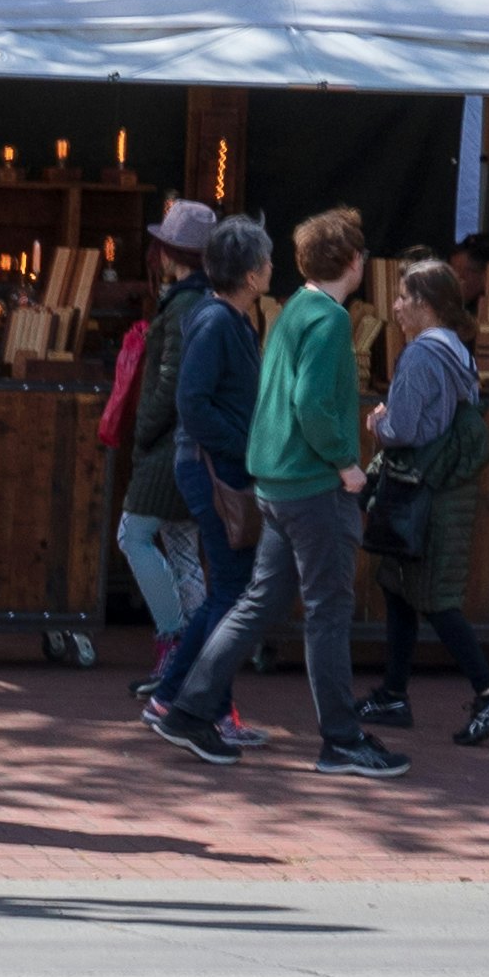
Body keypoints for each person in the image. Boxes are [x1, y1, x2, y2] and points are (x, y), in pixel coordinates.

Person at [156, 206, 405, 779]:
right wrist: (347, 464)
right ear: (353, 261)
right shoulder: (328, 320)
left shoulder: (292, 310)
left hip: (276, 486)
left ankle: (189, 709)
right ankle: (340, 739)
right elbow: (312, 404)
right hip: (314, 486)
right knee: (327, 613)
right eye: (362, 252)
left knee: (257, 604)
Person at [363, 253, 489, 746]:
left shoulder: (422, 355)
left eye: (405, 297)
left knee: (435, 599)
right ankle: (392, 693)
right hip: (443, 490)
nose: (398, 305)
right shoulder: (456, 349)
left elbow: (403, 427)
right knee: (402, 586)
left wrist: (377, 422)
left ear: (426, 304)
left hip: (423, 492)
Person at [147, 218, 273, 725]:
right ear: (249, 275)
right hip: (214, 471)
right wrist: (248, 451)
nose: (271, 268)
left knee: (230, 591)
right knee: (231, 592)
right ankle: (201, 706)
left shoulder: (233, 319)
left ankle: (182, 697)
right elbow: (193, 404)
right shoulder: (218, 321)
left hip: (219, 469)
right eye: (264, 261)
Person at [107, 200, 225, 651]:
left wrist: (143, 430)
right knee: (181, 546)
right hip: (191, 445)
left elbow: (170, 380)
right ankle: (197, 651)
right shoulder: (203, 301)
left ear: (172, 254)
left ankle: (174, 640)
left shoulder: (181, 306)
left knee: (133, 536)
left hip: (167, 445)